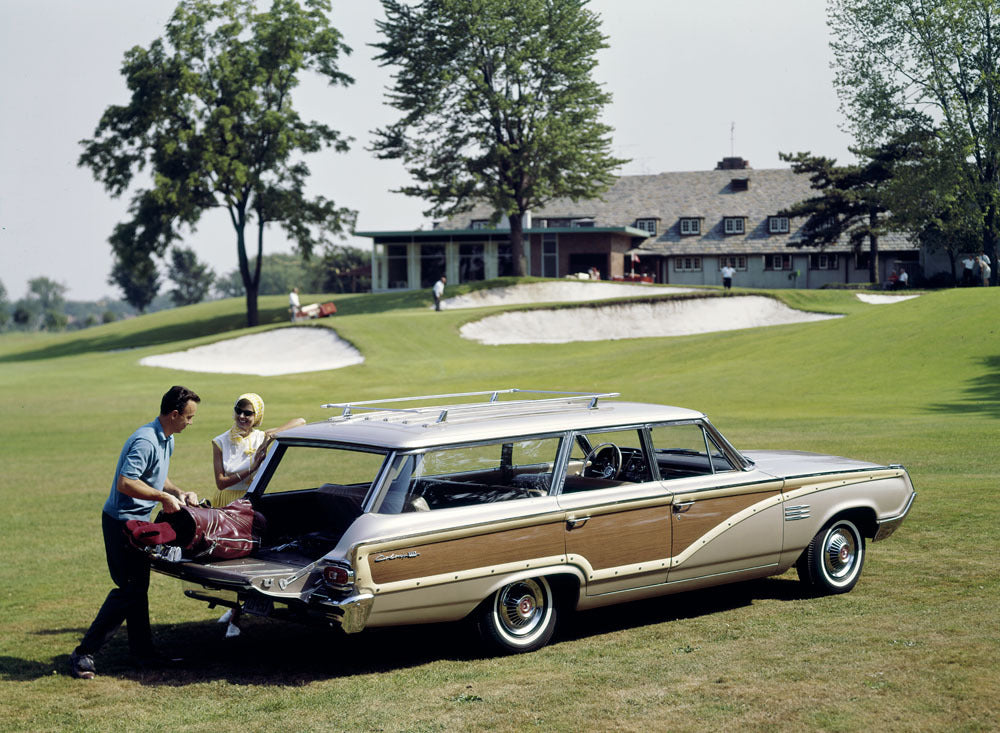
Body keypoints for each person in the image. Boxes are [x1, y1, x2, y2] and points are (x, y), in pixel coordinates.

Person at [69, 386, 202, 679]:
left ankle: (143, 654)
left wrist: (177, 491)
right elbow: (126, 482)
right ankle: (84, 654)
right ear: (175, 414)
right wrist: (162, 498)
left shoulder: (166, 439)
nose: (191, 423)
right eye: (189, 417)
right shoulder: (145, 440)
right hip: (121, 524)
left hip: (140, 524)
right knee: (128, 590)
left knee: (138, 591)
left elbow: (155, 474)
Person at [210, 393, 305, 637]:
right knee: (226, 562)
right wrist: (252, 467)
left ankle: (235, 614)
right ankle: (235, 609)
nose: (242, 416)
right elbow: (221, 483)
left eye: (248, 413)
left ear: (257, 416)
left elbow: (301, 421)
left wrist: (273, 433)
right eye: (239, 410)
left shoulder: (261, 437)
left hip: (250, 505)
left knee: (246, 561)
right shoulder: (220, 441)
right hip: (228, 503)